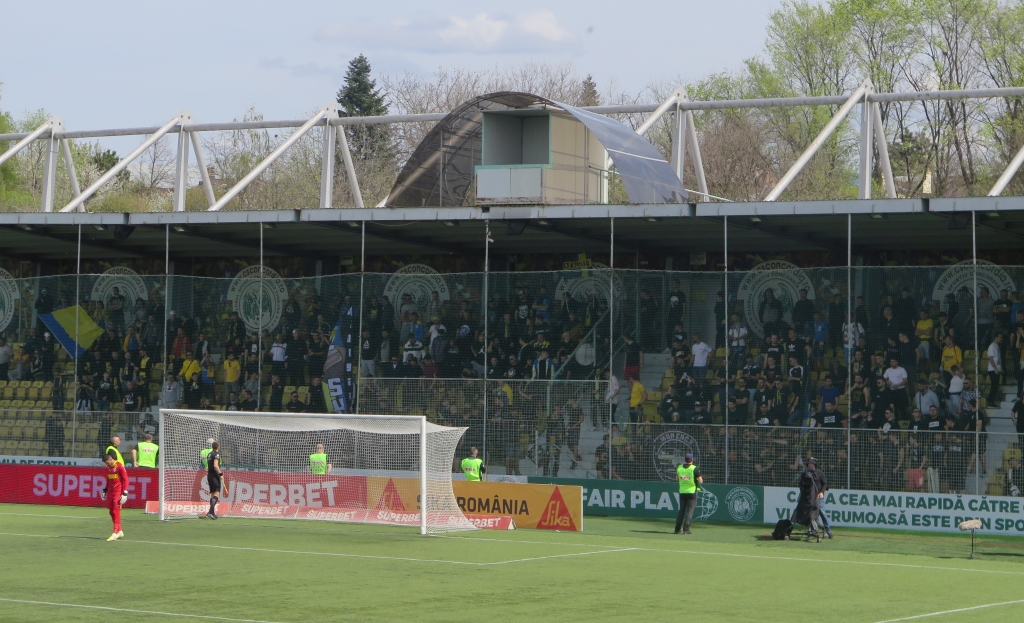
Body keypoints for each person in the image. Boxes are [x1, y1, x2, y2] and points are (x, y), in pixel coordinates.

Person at [791, 457, 826, 540]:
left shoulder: (819, 473)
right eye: (809, 464)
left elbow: (825, 484)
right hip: (805, 499)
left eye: (812, 465)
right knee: (801, 513)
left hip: (816, 498)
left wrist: (821, 492)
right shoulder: (804, 474)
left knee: (820, 513)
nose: (810, 466)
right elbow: (801, 485)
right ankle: (789, 530)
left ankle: (826, 531)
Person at [101, 450, 129, 541]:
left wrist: (125, 492)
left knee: (116, 511)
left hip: (118, 492)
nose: (106, 464)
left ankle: (114, 532)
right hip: (111, 492)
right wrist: (105, 490)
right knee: (111, 512)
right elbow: (109, 480)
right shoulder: (108, 468)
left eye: (106, 462)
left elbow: (126, 479)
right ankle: (120, 531)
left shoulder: (119, 466)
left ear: (110, 459)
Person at [673, 453, 702, 535]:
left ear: (685, 460)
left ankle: (677, 529)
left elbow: (676, 479)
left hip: (682, 491)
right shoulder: (694, 468)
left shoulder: (679, 468)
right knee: (690, 510)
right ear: (692, 460)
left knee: (681, 510)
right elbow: (700, 481)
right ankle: (686, 529)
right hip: (692, 492)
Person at [205, 441, 225, 520]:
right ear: (218, 447)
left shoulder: (209, 454)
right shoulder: (216, 454)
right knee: (217, 494)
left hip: (209, 475)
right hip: (214, 475)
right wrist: (220, 474)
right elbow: (215, 465)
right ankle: (210, 512)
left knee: (213, 494)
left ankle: (212, 513)